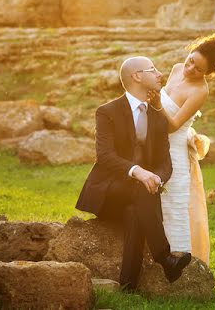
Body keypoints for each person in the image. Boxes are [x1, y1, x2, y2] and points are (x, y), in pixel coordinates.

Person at [75, 56, 191, 289]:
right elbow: (104, 156)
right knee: (140, 191)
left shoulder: (158, 118)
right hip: (109, 193)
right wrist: (138, 172)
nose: (160, 74)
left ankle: (127, 286)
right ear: (136, 76)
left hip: (139, 196)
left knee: (135, 211)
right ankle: (164, 257)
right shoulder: (107, 111)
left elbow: (165, 163)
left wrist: (157, 177)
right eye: (153, 69)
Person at [148, 34, 215, 266]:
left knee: (172, 207)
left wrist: (156, 106)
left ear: (208, 73)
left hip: (173, 153)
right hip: (154, 147)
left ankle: (177, 264)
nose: (189, 68)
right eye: (190, 60)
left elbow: (173, 124)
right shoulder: (177, 69)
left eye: (198, 69)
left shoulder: (200, 92)